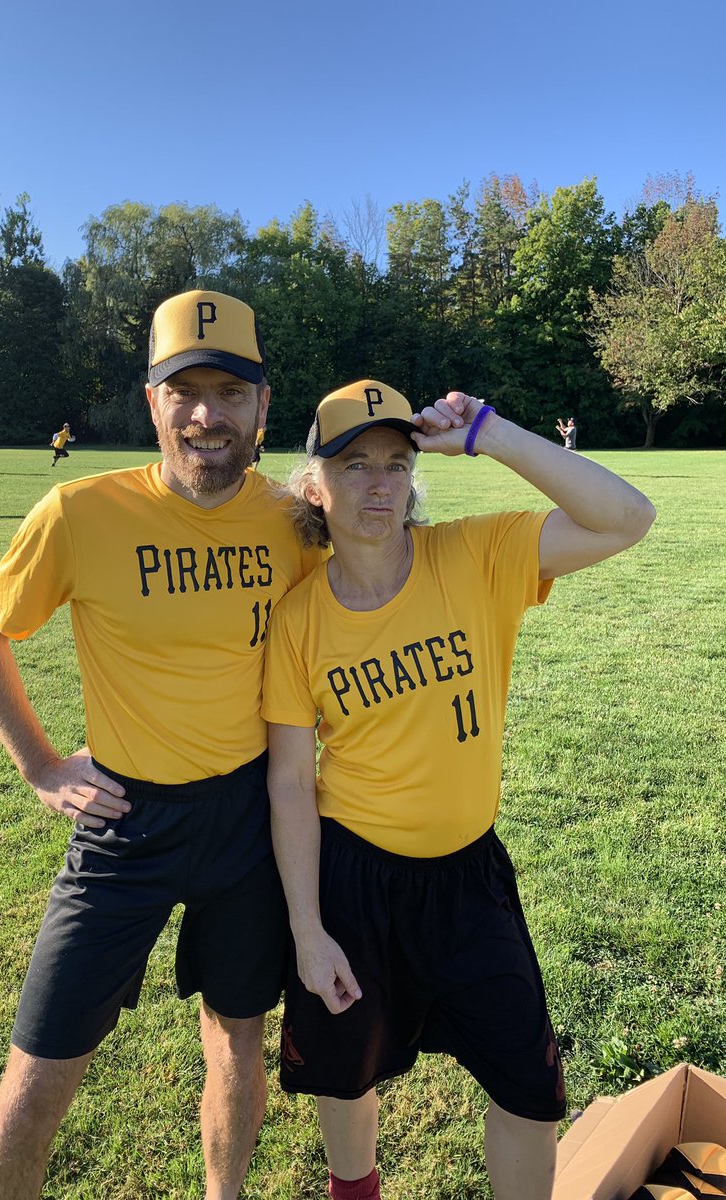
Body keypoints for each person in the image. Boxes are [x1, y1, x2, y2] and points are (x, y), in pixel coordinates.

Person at [0, 289, 321, 1200]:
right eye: (184, 390)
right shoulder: (80, 513)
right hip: (124, 824)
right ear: (152, 401)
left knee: (237, 1038)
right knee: (35, 1077)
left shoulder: (290, 525)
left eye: (231, 392)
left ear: (263, 407)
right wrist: (42, 766)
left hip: (248, 819)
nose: (208, 414)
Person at [262, 381, 656, 1200]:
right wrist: (306, 930)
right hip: (355, 881)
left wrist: (492, 433)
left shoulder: (475, 555)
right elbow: (293, 782)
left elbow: (628, 518)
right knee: (346, 1071)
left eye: (397, 465)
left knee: (526, 1086)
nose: (379, 485)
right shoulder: (298, 620)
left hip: (470, 878)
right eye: (355, 465)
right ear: (314, 486)